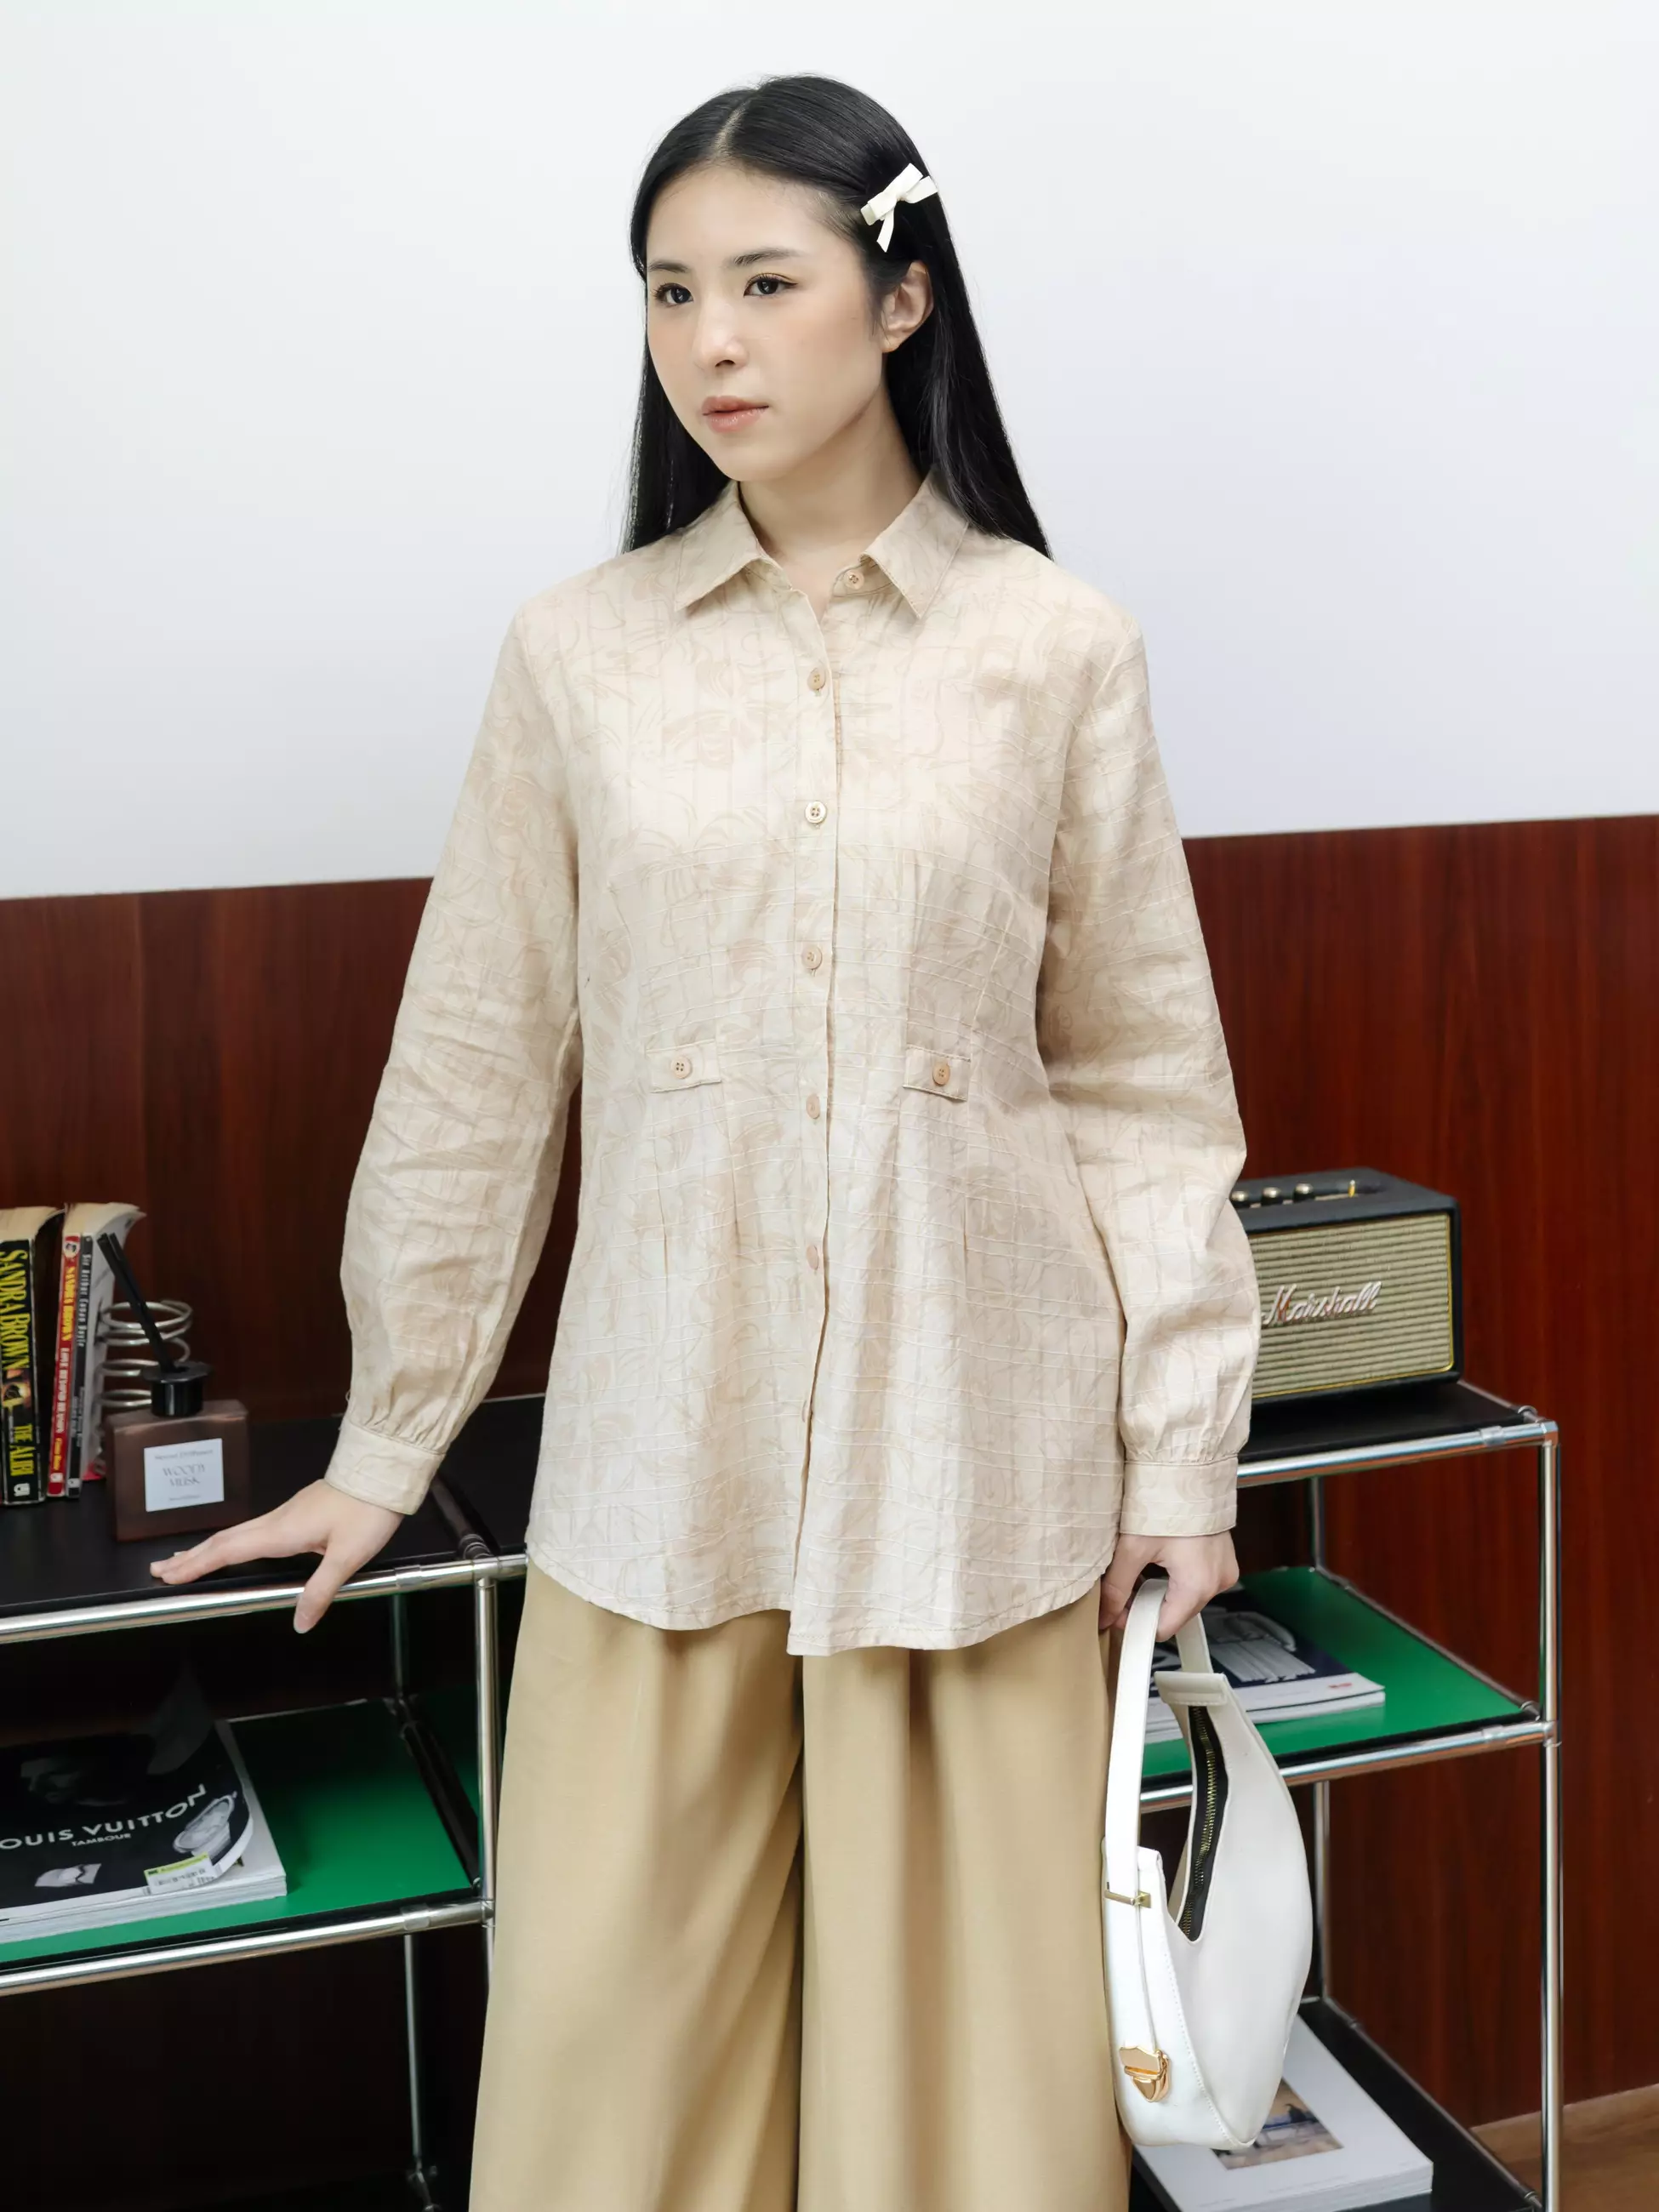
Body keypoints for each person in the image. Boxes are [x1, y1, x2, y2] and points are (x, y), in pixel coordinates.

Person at [151, 72, 1261, 2212]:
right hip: (665, 1456)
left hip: (973, 1469)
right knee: (614, 2088)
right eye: (671, 292)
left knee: (965, 2112)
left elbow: (1142, 1083)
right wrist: (389, 1436)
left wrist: (1179, 1461)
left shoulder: (1058, 648)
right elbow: (478, 1058)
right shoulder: (577, 656)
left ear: (903, 298)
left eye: (766, 282)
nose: (712, 343)